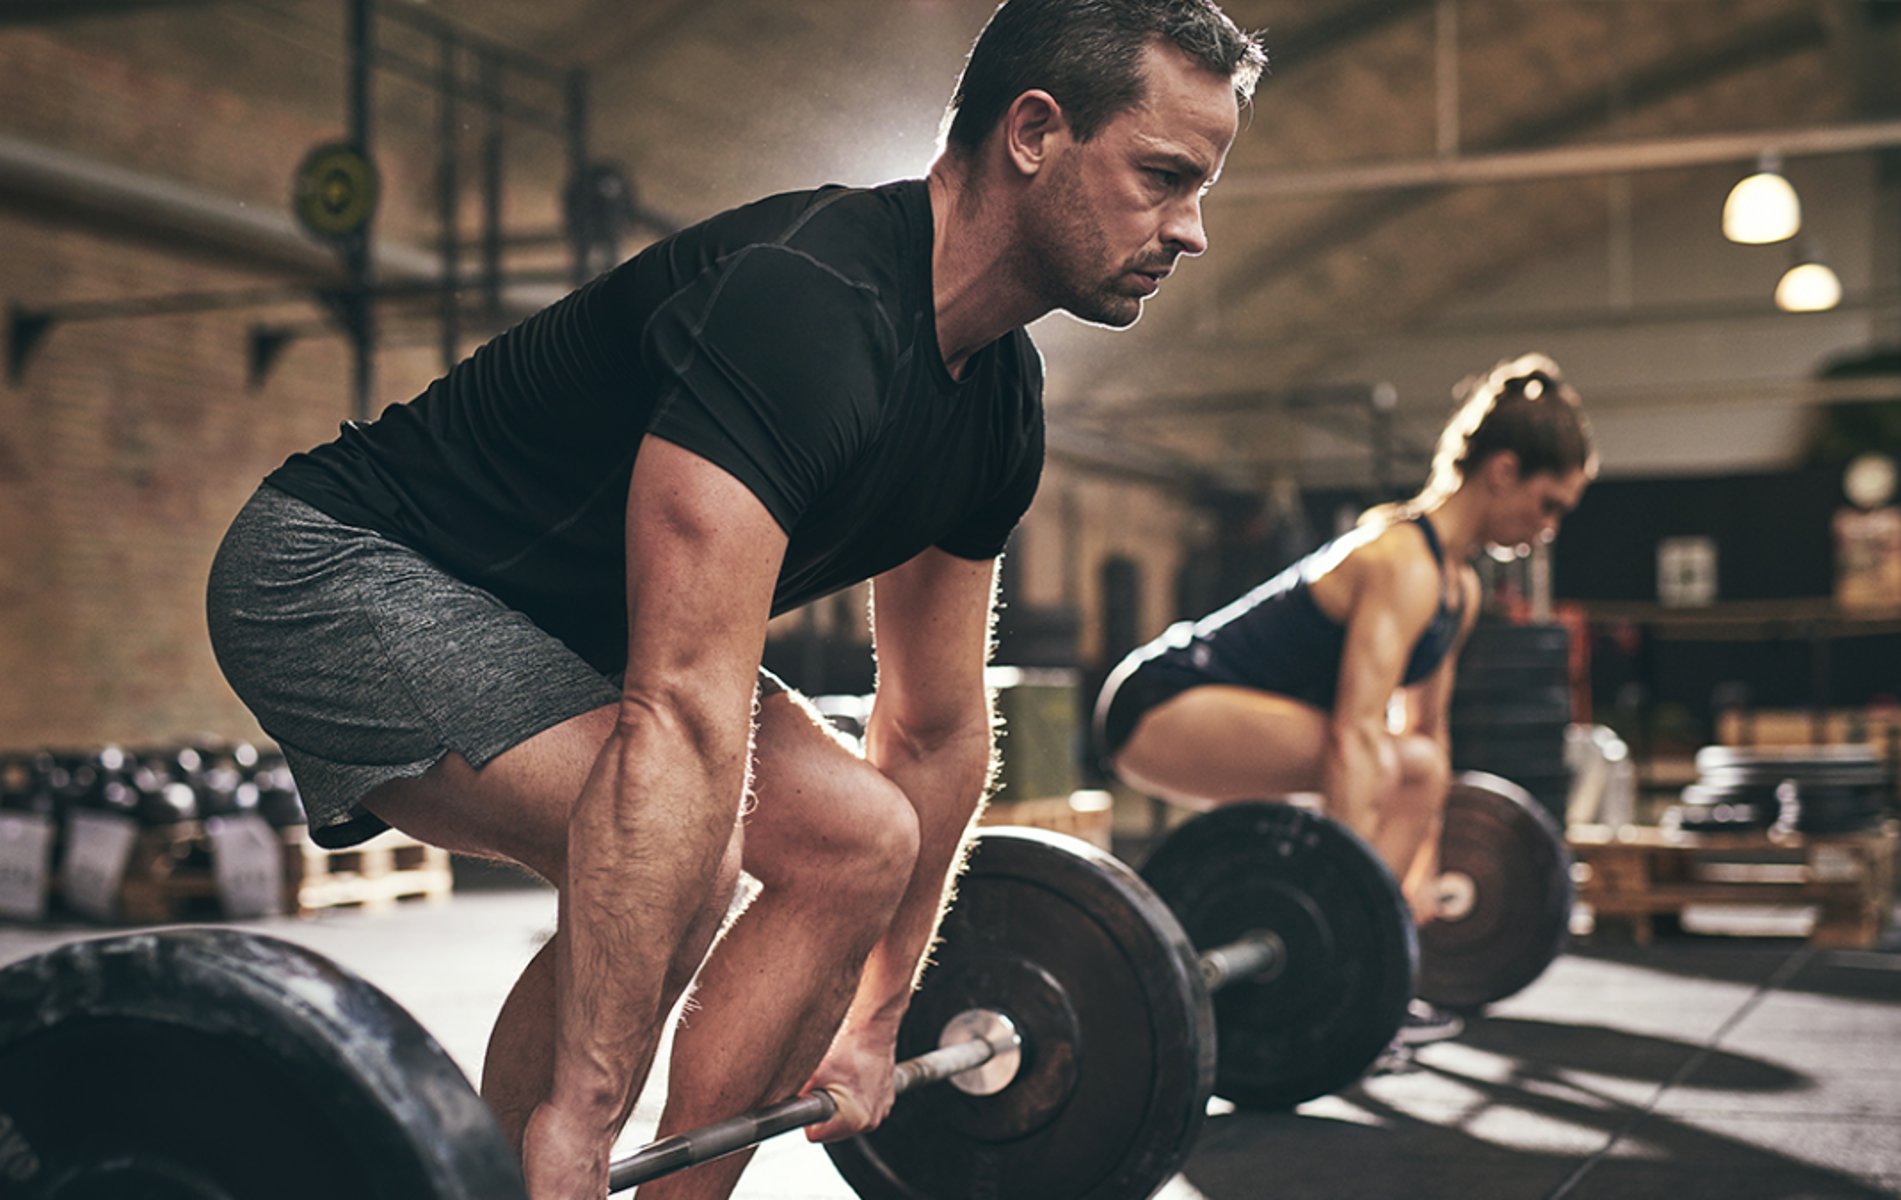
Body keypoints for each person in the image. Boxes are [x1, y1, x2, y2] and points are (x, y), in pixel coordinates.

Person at [205, 4, 1265, 1198]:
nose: (1193, 231)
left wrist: (879, 1017)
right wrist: (579, 1116)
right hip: (346, 572)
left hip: (567, 637)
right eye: (1164, 177)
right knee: (680, 858)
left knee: (862, 837)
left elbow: (933, 728)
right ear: (1032, 132)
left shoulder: (997, 406)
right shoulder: (805, 308)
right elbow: (681, 713)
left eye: (1201, 188)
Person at [1093, 354, 1596, 1035]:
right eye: (1549, 504)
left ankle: (1363, 962)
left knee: (1418, 762)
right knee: (1384, 761)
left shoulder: (1459, 587)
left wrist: (1425, 871)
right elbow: (1356, 734)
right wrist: (1345, 892)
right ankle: (1346, 955)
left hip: (1230, 715)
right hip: (1157, 702)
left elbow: (1430, 733)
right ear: (1504, 471)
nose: (1550, 527)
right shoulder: (1400, 562)